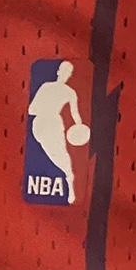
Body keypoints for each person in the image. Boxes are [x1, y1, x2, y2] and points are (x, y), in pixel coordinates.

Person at [28, 60, 89, 203]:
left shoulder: (70, 92)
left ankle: (69, 182)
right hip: (41, 124)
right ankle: (66, 176)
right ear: (58, 72)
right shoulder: (46, 87)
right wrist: (45, 109)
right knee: (54, 153)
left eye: (69, 73)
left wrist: (80, 127)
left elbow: (75, 114)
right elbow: (31, 109)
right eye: (64, 71)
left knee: (61, 153)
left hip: (54, 124)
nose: (66, 75)